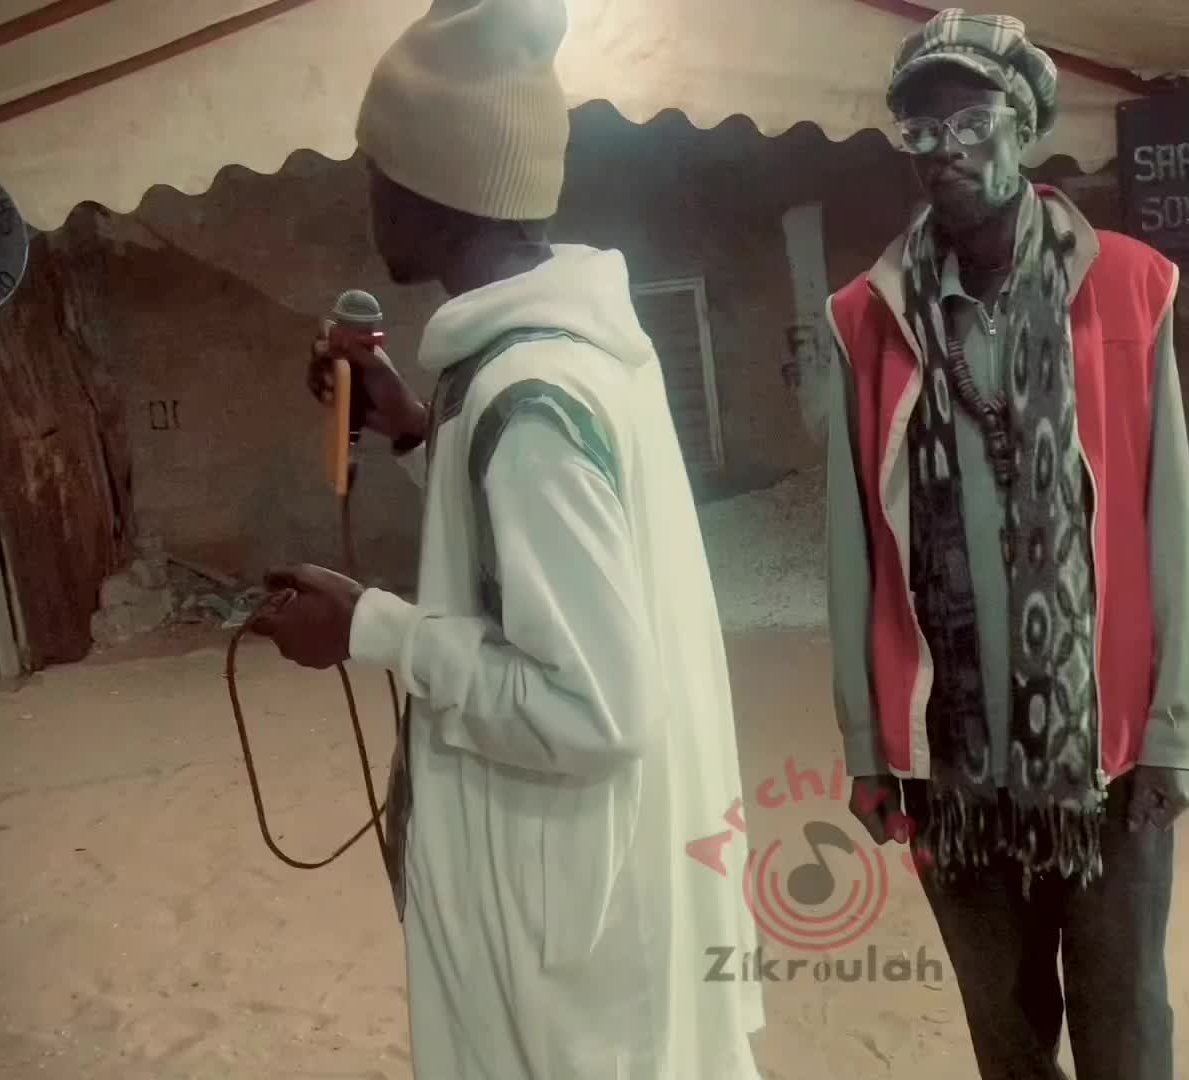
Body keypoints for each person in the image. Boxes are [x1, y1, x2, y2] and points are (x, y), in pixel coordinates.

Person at [253, 1, 764, 1076]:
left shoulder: (531, 398)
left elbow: (594, 712)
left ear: (431, 186)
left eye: (378, 168)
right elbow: (530, 532)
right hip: (594, 896)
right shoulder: (571, 356)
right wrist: (412, 431)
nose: (370, 193)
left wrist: (373, 629)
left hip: (564, 936)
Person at [824, 10, 1189, 1079]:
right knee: (1005, 1039)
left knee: (1125, 1024)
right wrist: (867, 746)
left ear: (1027, 124)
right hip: (949, 762)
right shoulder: (868, 318)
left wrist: (1175, 728)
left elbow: (1167, 516)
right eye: (921, 128)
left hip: (1107, 754)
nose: (946, 147)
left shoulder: (1127, 286)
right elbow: (852, 550)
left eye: (972, 120)